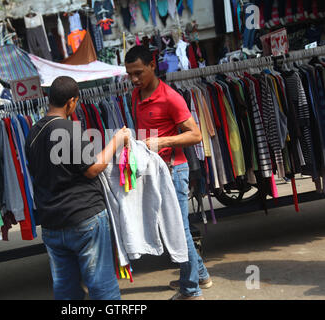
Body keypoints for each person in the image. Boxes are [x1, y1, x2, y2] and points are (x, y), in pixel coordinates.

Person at [25, 76, 131, 300]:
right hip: (83, 217)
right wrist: (116, 140)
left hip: (52, 223)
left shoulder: (33, 133)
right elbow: (92, 168)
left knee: (66, 290)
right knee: (101, 285)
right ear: (71, 102)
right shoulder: (66, 129)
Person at [124, 45, 212, 300]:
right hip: (152, 170)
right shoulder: (135, 95)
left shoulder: (171, 97)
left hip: (174, 170)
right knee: (173, 228)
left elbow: (195, 134)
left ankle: (191, 290)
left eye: (139, 72)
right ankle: (200, 276)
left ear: (153, 65)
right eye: (130, 74)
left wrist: (162, 142)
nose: (134, 79)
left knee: (178, 229)